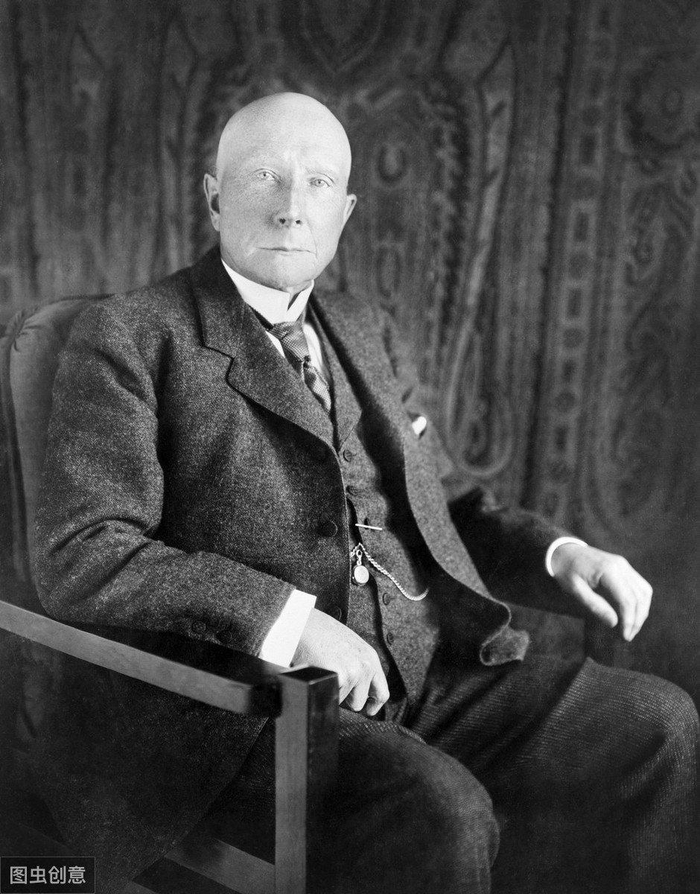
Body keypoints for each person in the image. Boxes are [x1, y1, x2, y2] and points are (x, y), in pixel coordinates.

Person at [35, 93, 698, 894]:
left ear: (345, 211)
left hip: (427, 675)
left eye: (317, 183)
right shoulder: (133, 335)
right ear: (213, 196)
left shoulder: (363, 328)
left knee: (659, 728)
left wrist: (561, 556)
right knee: (445, 814)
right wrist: (288, 620)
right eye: (264, 177)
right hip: (251, 714)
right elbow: (86, 552)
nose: (291, 206)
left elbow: (443, 506)